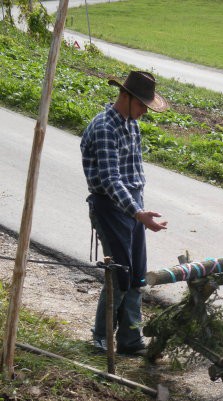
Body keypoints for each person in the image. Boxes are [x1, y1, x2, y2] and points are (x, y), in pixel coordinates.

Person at [81, 71, 169, 356]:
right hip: (111, 207)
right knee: (119, 274)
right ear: (126, 96)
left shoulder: (132, 125)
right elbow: (109, 180)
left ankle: (131, 339)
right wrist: (137, 212)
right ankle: (101, 337)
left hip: (133, 206)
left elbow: (134, 174)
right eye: (142, 104)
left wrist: (139, 210)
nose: (144, 110)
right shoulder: (105, 127)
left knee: (136, 274)